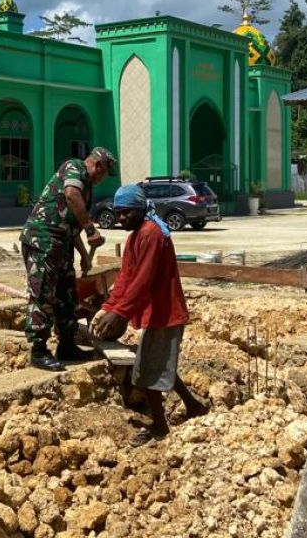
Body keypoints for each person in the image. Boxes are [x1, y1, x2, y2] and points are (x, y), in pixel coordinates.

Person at [91, 184, 208, 445]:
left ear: (141, 209)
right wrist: (108, 307)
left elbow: (142, 280)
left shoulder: (152, 234)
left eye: (126, 213)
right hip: (155, 312)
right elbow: (125, 278)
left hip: (165, 312)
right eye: (118, 214)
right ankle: (193, 406)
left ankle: (159, 426)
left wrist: (119, 313)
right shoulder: (135, 237)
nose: (121, 219)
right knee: (160, 364)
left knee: (145, 372)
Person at [20, 146, 117, 371]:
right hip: (41, 241)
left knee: (67, 295)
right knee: (43, 294)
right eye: (105, 173)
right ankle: (39, 350)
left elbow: (72, 227)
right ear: (98, 165)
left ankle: (66, 345)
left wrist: (84, 255)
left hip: (62, 244)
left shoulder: (88, 188)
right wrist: (91, 229)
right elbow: (71, 195)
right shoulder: (74, 167)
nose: (103, 179)